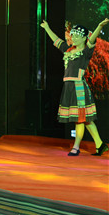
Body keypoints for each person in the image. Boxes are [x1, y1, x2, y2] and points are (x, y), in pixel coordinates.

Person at [40, 18, 109, 156]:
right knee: (86, 120)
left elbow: (92, 39)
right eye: (73, 35)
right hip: (69, 88)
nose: (74, 38)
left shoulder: (85, 52)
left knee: (80, 119)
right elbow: (56, 41)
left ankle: (76, 147)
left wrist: (99, 26)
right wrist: (47, 28)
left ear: (84, 38)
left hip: (79, 88)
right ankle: (100, 145)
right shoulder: (68, 49)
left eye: (77, 36)